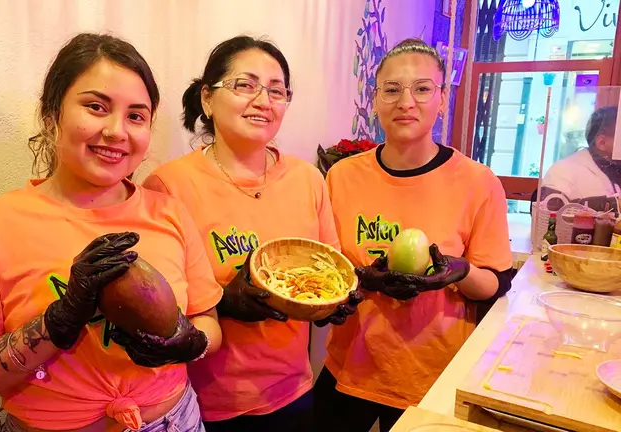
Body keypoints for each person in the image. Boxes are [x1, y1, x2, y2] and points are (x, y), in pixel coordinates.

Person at [0, 33, 223, 432]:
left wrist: (189, 341)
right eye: (96, 107)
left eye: (136, 115)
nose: (116, 131)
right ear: (51, 115)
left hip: (175, 421)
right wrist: (56, 322)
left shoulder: (170, 213)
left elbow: (208, 322)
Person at [142, 35, 362, 432]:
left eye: (277, 91)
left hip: (293, 392)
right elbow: (157, 307)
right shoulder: (168, 186)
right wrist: (224, 303)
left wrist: (340, 298)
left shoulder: (308, 180)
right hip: (206, 401)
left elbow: (331, 267)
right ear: (208, 99)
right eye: (246, 85)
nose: (264, 100)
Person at [313, 38, 514, 432]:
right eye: (392, 89)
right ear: (374, 100)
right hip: (348, 368)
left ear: (442, 99)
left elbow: (495, 282)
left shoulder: (478, 183)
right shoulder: (341, 177)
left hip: (432, 377)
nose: (406, 102)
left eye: (422, 89)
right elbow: (327, 271)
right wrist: (362, 278)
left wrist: (458, 271)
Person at [540, 106, 621, 212]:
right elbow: (550, 219)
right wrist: (612, 204)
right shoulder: (562, 172)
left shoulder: (615, 167)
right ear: (602, 143)